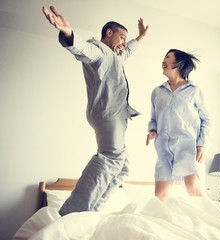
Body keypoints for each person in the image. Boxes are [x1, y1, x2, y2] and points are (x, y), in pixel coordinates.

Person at [42, 6, 149, 216]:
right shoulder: (99, 50)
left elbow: (129, 50)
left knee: (123, 166)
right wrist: (68, 34)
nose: (124, 43)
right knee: (110, 158)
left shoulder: (116, 57)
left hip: (113, 115)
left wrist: (141, 37)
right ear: (109, 33)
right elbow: (83, 49)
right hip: (107, 113)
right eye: (122, 37)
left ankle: (92, 211)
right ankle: (72, 214)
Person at [146, 49, 211, 202]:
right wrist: (152, 130)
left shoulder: (194, 90)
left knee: (193, 187)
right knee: (159, 197)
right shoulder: (157, 92)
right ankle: (159, 223)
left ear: (179, 63)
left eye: (167, 57)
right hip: (163, 150)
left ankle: (209, 218)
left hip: (187, 147)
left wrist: (202, 144)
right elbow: (153, 118)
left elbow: (207, 120)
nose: (163, 60)